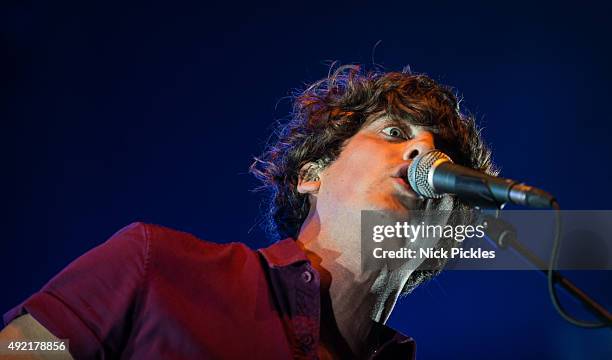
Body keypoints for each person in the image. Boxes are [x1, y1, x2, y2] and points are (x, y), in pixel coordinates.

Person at [1, 65, 495, 359]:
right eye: (394, 133)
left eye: (442, 156)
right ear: (311, 175)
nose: (422, 156)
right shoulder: (156, 266)